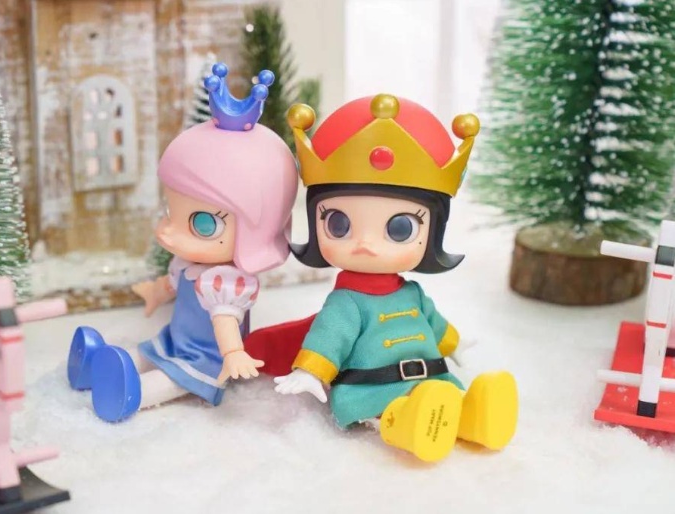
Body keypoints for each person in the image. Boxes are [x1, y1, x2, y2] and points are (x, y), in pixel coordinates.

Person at [245, 94, 518, 462]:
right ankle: (406, 424)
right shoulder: (346, 302)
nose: (366, 244)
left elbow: (433, 321)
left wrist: (453, 342)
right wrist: (310, 372)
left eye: (399, 228)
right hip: (372, 385)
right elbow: (330, 337)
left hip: (430, 377)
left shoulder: (413, 292)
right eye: (339, 224)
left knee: (446, 396)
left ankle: (474, 419)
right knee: (397, 411)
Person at [67, 63, 298, 422]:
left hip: (208, 357)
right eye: (169, 210)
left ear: (256, 230)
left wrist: (233, 353)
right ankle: (94, 364)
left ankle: (132, 395)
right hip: (177, 339)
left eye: (202, 223)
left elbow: (224, 319)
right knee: (150, 352)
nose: (167, 231)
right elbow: (174, 283)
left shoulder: (227, 282)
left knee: (172, 378)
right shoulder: (189, 264)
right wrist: (155, 291)